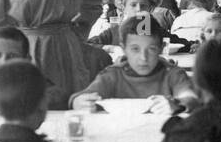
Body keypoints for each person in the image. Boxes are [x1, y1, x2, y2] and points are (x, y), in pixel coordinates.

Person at [70, 15, 198, 113]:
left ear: (161, 48)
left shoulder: (172, 74)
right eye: (135, 49)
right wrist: (77, 102)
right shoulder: (113, 75)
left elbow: (190, 97)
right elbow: (84, 96)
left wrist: (177, 104)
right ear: (123, 48)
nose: (143, 58)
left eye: (151, 49)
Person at [0, 25, 69, 109]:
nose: (4, 61)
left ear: (27, 60)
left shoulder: (38, 84)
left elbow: (59, 98)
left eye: (12, 56)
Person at [88, 0, 152, 47]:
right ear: (124, 8)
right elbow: (88, 45)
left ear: (149, 8)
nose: (138, 9)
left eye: (143, 6)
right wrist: (110, 49)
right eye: (133, 5)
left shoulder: (156, 31)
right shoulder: (114, 32)